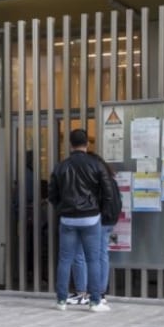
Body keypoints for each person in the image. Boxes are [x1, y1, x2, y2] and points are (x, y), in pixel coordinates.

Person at [48, 129, 110, 312]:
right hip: (91, 219)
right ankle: (95, 302)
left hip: (67, 219)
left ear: (70, 145)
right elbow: (107, 192)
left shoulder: (61, 167)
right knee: (93, 260)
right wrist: (100, 211)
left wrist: (61, 209)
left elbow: (52, 194)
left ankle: (61, 301)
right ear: (87, 144)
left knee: (65, 260)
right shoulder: (95, 164)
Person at [68, 151, 122, 306]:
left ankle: (81, 293)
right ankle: (100, 293)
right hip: (109, 220)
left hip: (95, 220)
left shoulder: (94, 176)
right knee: (101, 254)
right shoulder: (109, 176)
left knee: (79, 252)